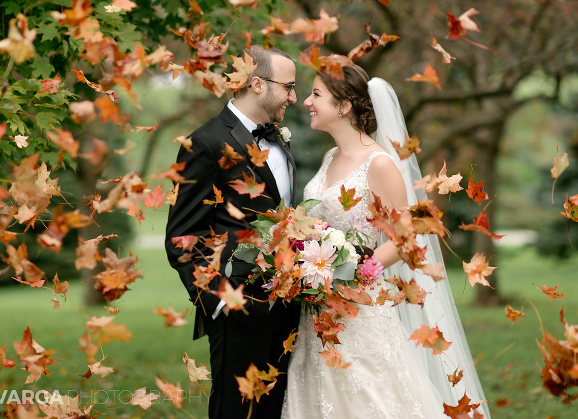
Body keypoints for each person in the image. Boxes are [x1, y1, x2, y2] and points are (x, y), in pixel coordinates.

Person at [281, 64, 490, 418]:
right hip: (317, 308)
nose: (306, 102)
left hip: (358, 307)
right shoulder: (329, 157)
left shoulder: (379, 164)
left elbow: (405, 236)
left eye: (316, 94)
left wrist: (353, 272)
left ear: (344, 106)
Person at [164, 46, 302, 419]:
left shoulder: (279, 139)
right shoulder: (204, 143)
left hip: (289, 307)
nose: (294, 96)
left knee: (276, 409)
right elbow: (180, 237)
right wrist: (221, 302)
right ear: (257, 83)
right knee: (235, 411)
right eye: (288, 87)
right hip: (239, 309)